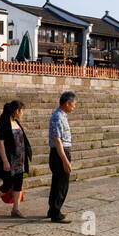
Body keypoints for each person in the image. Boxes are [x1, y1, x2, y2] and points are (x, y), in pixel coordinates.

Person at [0, 100, 28, 218]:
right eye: (22, 110)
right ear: (17, 110)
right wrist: (5, 161)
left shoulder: (17, 123)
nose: (22, 113)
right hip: (9, 159)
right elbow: (0, 144)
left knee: (18, 184)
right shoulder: (4, 124)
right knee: (7, 184)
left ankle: (15, 209)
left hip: (20, 159)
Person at [45, 91, 75, 224]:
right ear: (67, 103)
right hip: (60, 152)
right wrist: (65, 160)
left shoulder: (62, 115)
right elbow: (57, 140)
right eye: (73, 104)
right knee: (61, 184)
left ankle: (53, 210)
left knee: (57, 183)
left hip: (60, 151)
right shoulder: (58, 116)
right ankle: (55, 213)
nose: (74, 107)